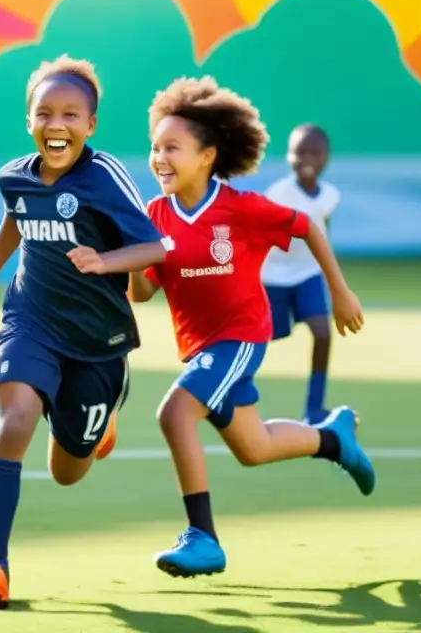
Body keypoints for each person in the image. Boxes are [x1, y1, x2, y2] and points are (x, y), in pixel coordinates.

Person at [0, 55, 166, 609]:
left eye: (70, 114)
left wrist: (104, 262)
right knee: (15, 419)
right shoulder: (14, 176)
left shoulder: (105, 176)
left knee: (68, 472)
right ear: (29, 121)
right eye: (44, 113)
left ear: (90, 125)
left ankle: (102, 415)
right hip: (30, 323)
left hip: (97, 343)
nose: (56, 123)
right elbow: (13, 225)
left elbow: (156, 247)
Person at [127, 77, 374, 579]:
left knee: (175, 414)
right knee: (253, 447)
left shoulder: (240, 208)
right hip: (201, 350)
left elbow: (307, 226)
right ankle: (334, 439)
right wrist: (136, 247)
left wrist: (339, 291)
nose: (159, 157)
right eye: (155, 147)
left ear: (208, 156)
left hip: (240, 336)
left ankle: (204, 539)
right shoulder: (155, 214)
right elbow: (141, 293)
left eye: (172, 147)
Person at [261, 124, 339, 424]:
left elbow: (324, 233)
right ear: (289, 156)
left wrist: (334, 278)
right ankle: (231, 392)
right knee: (262, 338)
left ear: (326, 158)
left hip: (308, 274)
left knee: (322, 333)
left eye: (314, 152)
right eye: (299, 151)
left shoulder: (330, 196)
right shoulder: (279, 194)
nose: (306, 158)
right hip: (273, 277)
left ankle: (314, 408)